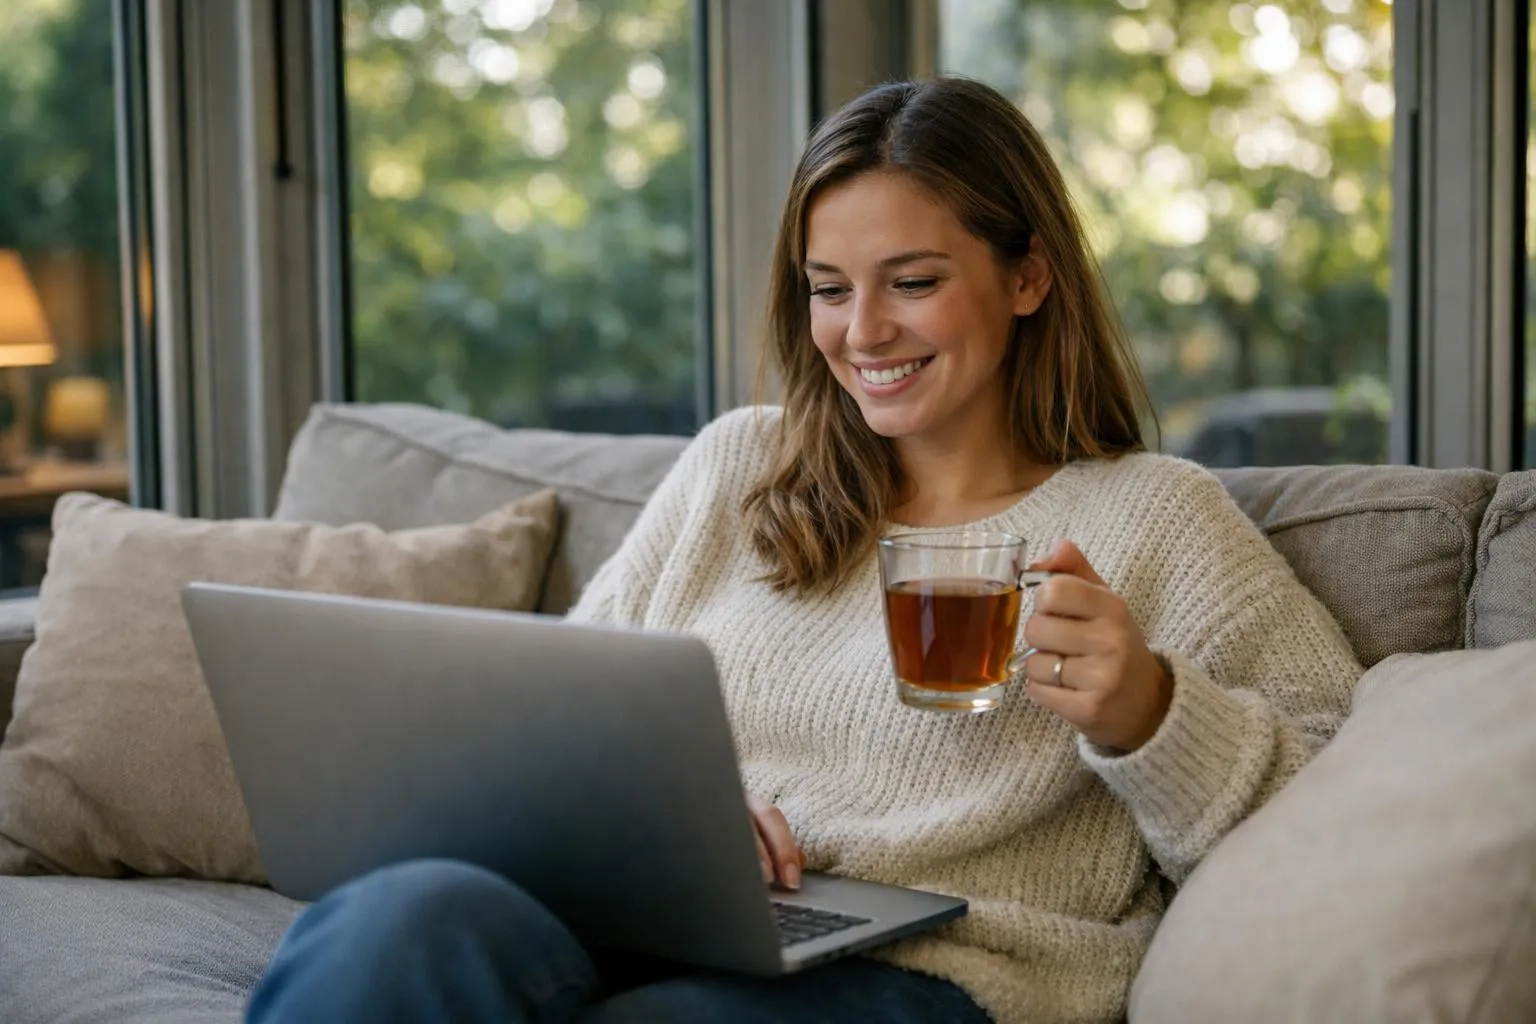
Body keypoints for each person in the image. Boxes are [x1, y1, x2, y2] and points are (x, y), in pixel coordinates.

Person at [247, 77, 1362, 1024]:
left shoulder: (1155, 516)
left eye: (912, 282)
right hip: (672, 917)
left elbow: (1340, 802)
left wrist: (1153, 713)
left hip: (922, 971)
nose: (862, 332)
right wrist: (667, 828)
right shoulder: (741, 468)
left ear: (1028, 278)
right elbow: (554, 733)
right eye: (829, 290)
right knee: (401, 920)